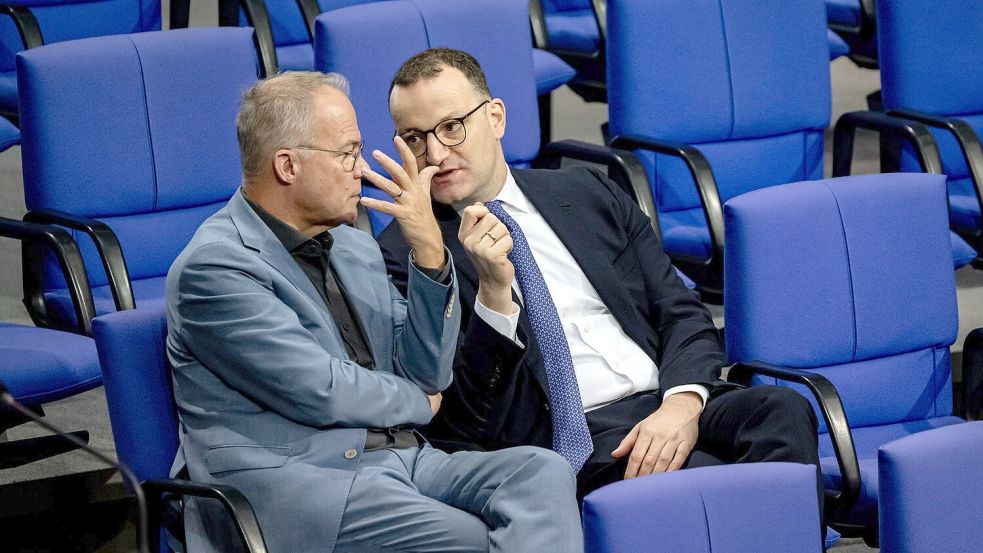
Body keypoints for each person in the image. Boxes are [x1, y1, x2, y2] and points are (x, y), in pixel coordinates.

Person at [376, 49, 823, 502]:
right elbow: (467, 416)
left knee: (783, 411)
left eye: (452, 127)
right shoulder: (408, 253)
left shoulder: (587, 191)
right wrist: (493, 294)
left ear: (495, 118)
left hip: (665, 397)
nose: (436, 153)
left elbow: (679, 311)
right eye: (413, 138)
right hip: (571, 434)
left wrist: (683, 402)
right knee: (712, 480)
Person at [166, 71, 582, 553]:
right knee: (469, 537)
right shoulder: (215, 268)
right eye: (347, 154)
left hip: (400, 459)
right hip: (305, 485)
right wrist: (418, 402)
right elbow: (320, 389)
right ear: (287, 166)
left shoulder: (353, 248)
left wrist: (428, 253)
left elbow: (428, 369)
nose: (361, 169)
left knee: (540, 471)